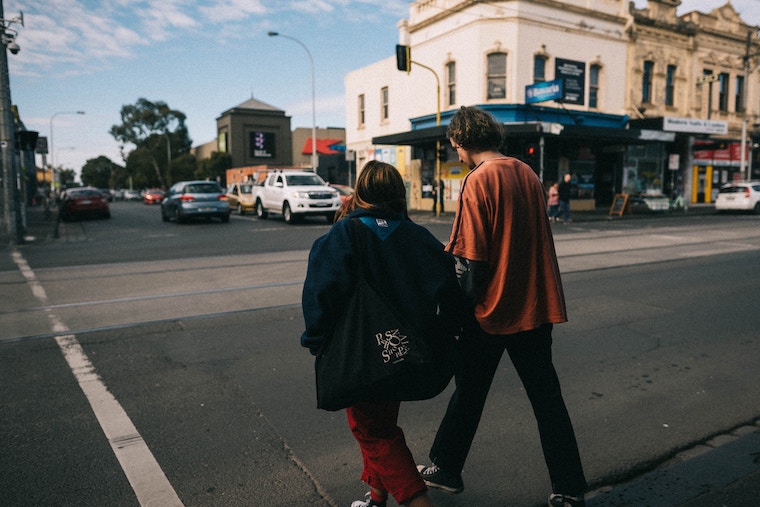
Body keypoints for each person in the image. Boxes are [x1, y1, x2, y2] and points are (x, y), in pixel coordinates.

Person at [416, 106, 588, 507]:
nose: (454, 152)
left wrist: (456, 309)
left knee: (470, 391)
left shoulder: (477, 181)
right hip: (535, 303)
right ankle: (569, 487)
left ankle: (446, 467)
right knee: (547, 399)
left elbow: (471, 259)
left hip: (492, 309)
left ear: (462, 140)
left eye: (453, 144)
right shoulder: (527, 173)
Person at [301, 160, 466, 507]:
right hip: (405, 353)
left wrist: (316, 341)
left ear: (360, 191)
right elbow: (450, 292)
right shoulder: (418, 236)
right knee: (381, 422)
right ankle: (377, 498)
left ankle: (416, 501)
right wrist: (446, 334)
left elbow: (320, 293)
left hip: (361, 353)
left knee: (372, 432)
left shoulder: (344, 235)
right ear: (398, 194)